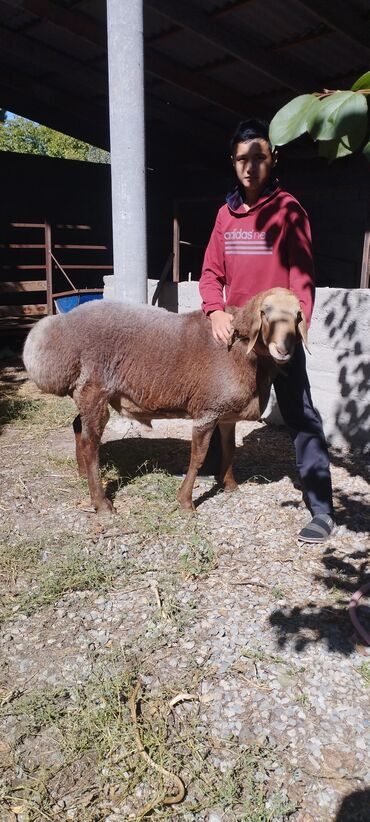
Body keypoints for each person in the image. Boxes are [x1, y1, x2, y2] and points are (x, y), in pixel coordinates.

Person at [199, 118, 334, 543]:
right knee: (222, 400)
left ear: (272, 159)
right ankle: (213, 466)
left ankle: (321, 509)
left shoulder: (288, 211)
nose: (250, 166)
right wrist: (215, 312)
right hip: (241, 335)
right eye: (243, 158)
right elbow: (209, 274)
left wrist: (294, 331)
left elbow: (302, 280)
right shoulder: (226, 215)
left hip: (278, 332)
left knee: (299, 413)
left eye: (259, 157)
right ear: (233, 163)